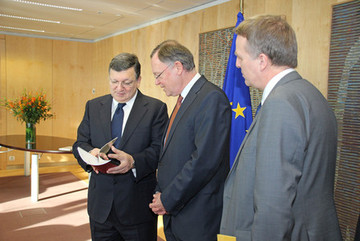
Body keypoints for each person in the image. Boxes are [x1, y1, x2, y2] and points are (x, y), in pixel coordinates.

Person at [220, 15, 342, 241]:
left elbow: (273, 204)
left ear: (262, 60)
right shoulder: (310, 94)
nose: (236, 64)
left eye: (240, 57)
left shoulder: (280, 104)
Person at [72, 53, 168, 241]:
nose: (119, 88)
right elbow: (79, 144)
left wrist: (133, 161)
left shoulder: (156, 109)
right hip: (100, 208)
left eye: (127, 82)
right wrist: (90, 154)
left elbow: (160, 150)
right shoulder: (93, 106)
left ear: (138, 80)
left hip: (137, 209)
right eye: (114, 81)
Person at [148, 40, 232, 241]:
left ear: (177, 67)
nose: (157, 82)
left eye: (158, 75)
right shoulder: (183, 100)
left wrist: (168, 199)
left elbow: (203, 161)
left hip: (197, 216)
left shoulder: (211, 98)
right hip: (177, 212)